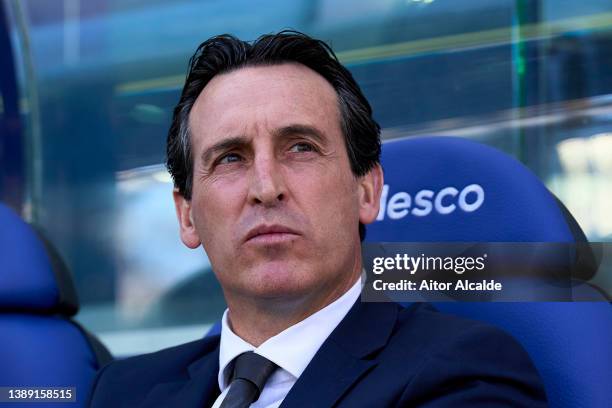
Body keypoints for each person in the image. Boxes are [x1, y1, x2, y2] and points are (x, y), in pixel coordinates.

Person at [88, 31, 547, 407]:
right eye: (230, 158)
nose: (266, 188)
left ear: (366, 191)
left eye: (301, 147)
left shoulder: (464, 373)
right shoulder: (122, 391)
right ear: (187, 216)